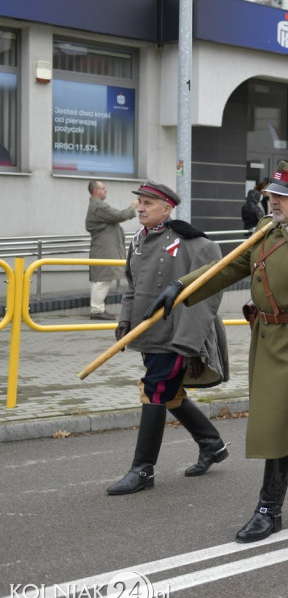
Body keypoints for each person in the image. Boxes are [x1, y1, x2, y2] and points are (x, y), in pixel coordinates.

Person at [149, 163, 288, 542]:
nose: (273, 202)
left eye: (282, 197)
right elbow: (231, 265)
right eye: (271, 195)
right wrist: (181, 286)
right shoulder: (267, 230)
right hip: (269, 339)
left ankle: (269, 510)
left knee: (280, 421)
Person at [106, 181, 229, 495]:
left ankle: (142, 469)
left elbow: (206, 295)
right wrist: (125, 320)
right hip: (150, 333)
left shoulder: (195, 242)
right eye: (140, 202)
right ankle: (212, 444)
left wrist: (189, 343)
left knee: (155, 390)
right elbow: (132, 286)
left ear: (167, 208)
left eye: (148, 203)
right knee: (169, 394)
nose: (141, 208)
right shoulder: (138, 240)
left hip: (179, 335)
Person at [86, 180, 138, 320]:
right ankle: (97, 310)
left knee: (101, 279)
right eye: (103, 188)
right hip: (103, 249)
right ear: (96, 190)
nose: (106, 190)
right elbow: (119, 215)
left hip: (103, 248)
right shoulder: (99, 206)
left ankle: (98, 308)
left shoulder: (97, 205)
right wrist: (132, 207)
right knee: (101, 280)